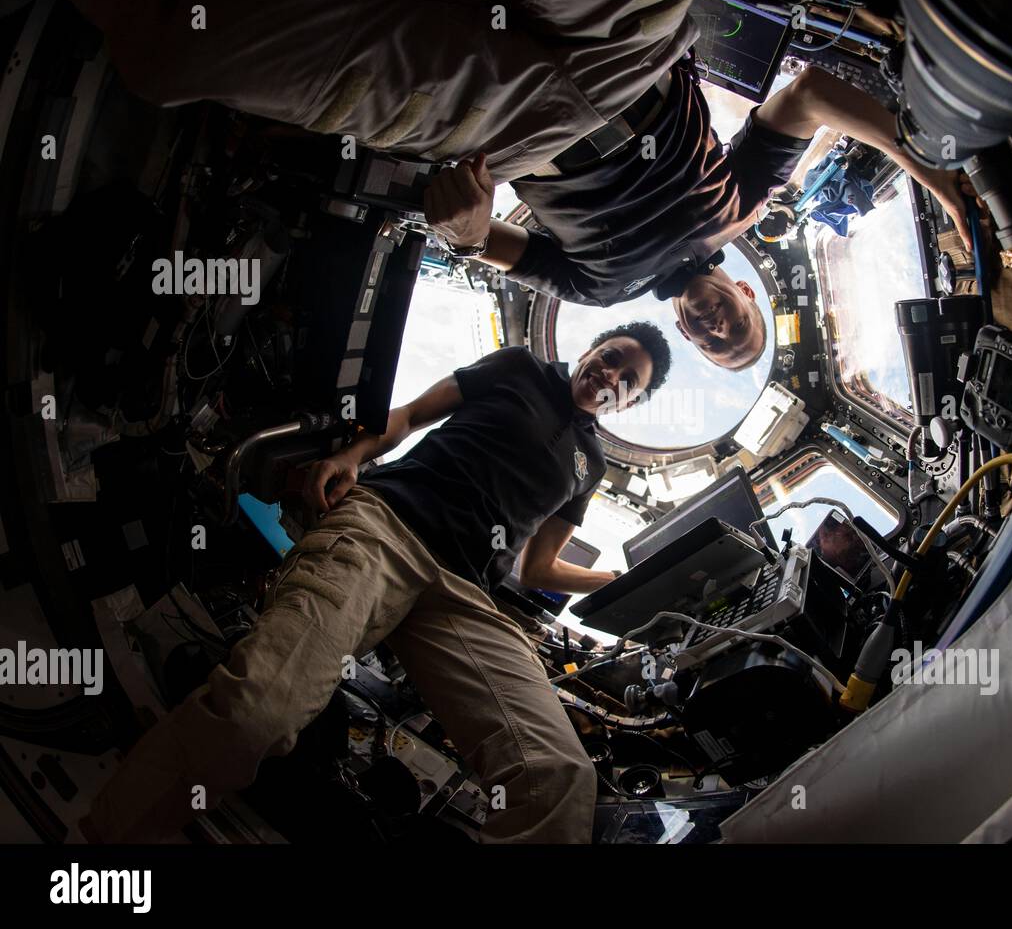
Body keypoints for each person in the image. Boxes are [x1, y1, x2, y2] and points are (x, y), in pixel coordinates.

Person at [60, 0, 973, 373]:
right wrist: (927, 168)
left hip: (503, 131)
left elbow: (484, 241)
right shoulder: (741, 206)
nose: (711, 326)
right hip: (633, 58)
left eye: (709, 344)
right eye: (733, 327)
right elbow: (809, 92)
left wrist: (457, 224)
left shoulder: (591, 285)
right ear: (740, 292)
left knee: (168, 46)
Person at [81, 323, 672, 843]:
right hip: (387, 530)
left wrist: (622, 581)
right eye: (613, 355)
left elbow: (539, 569)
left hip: (465, 595)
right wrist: (357, 454)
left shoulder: (589, 465)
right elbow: (412, 415)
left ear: (628, 403)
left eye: (628, 381)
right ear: (594, 346)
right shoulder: (519, 366)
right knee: (255, 714)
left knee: (558, 780)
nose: (611, 374)